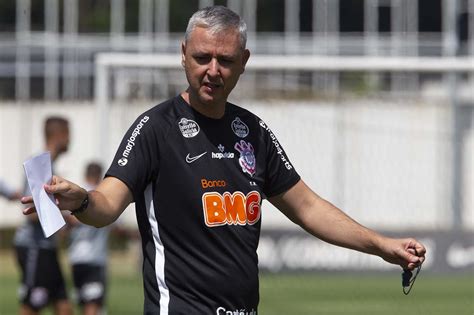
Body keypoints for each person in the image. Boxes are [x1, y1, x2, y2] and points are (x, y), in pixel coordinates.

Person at [22, 6, 426, 314]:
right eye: (202, 58)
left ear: (243, 62)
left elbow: (308, 207)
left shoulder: (254, 132)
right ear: (183, 55)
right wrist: (81, 200)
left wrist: (381, 245)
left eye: (226, 60)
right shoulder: (155, 129)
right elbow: (108, 202)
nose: (212, 71)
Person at [15, 116, 73, 315]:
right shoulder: (39, 164)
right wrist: (65, 218)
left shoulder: (51, 166)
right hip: (35, 247)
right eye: (68, 134)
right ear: (59, 135)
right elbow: (30, 210)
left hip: (48, 248)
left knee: (64, 307)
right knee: (32, 306)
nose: (70, 140)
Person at [66, 162, 109, 315]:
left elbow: (66, 225)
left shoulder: (75, 194)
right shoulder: (100, 195)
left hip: (75, 259)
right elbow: (116, 222)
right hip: (94, 259)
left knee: (84, 304)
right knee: (93, 306)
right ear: (99, 175)